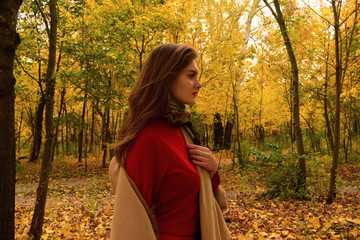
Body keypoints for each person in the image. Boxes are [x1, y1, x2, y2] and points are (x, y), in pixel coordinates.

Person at [109, 43, 229, 240]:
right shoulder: (148, 139)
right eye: (191, 76)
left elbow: (197, 201)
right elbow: (132, 220)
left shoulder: (181, 128)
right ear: (167, 77)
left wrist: (212, 171)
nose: (198, 84)